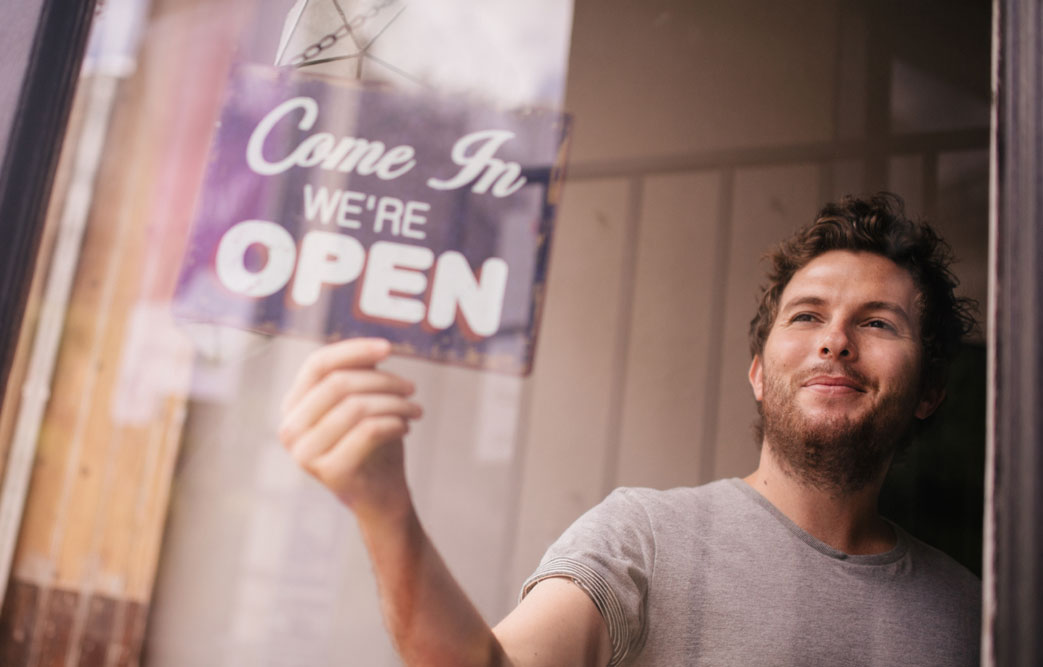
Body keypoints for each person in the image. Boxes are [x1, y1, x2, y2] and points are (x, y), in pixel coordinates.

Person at [276, 193, 981, 666]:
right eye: (804, 315)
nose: (834, 340)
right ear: (759, 373)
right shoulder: (643, 535)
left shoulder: (971, 613)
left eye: (878, 322)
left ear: (930, 390)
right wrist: (386, 509)